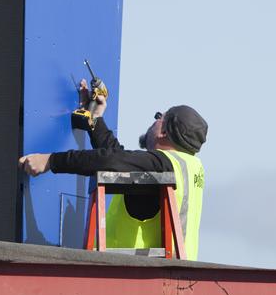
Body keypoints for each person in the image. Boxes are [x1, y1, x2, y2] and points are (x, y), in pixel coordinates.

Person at [18, 82, 207, 259]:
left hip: (135, 276)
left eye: (159, 117)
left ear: (164, 132)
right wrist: (96, 118)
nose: (155, 120)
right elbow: (120, 158)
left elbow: (110, 159)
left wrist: (50, 161)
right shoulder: (191, 167)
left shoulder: (163, 163)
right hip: (173, 276)